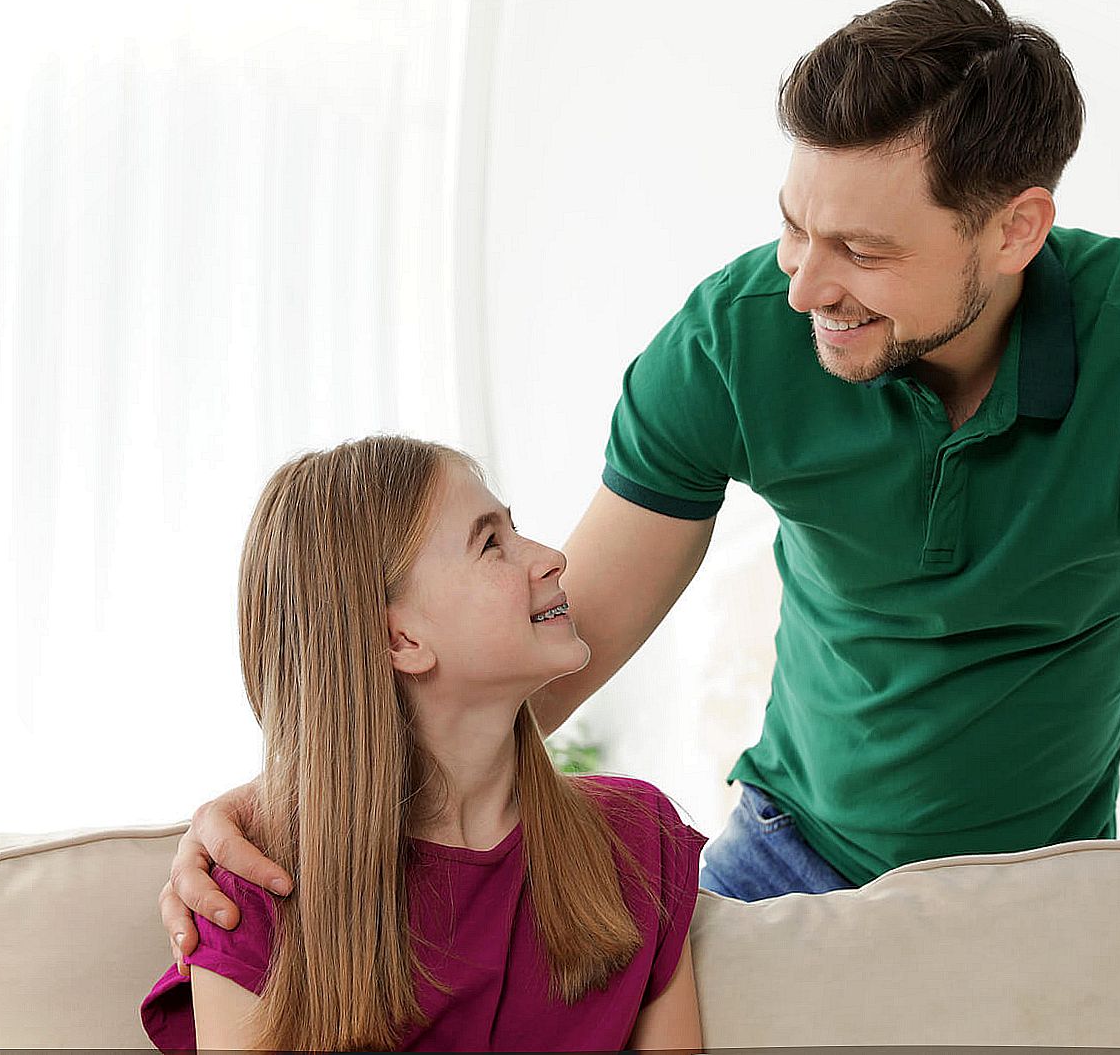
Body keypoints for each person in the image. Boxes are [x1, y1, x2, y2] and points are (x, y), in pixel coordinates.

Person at [160, 0, 1120, 1049]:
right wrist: (300, 805)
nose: (806, 283)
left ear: (1014, 230)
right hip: (787, 857)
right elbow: (567, 641)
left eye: (864, 253)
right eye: (793, 224)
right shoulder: (736, 338)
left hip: (1039, 880)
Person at [140, 437, 705, 1052]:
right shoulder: (254, 898)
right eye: (492, 544)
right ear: (401, 640)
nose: (552, 558)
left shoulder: (638, 840)